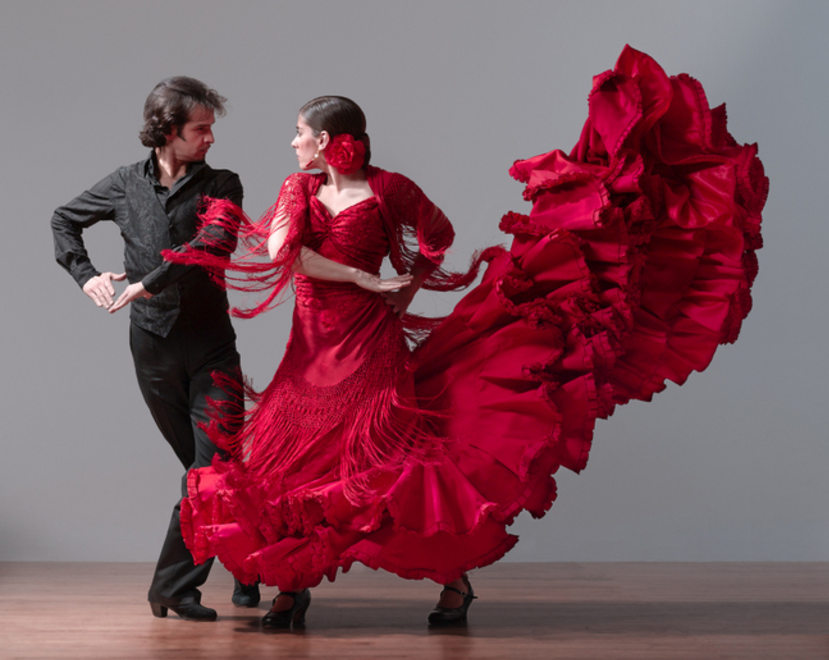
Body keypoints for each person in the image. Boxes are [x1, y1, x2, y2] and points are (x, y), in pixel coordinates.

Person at [173, 46, 767, 629]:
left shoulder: (390, 188)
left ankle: (453, 579)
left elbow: (439, 234)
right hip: (310, 350)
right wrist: (363, 277)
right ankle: (292, 584)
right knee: (293, 461)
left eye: (300, 132)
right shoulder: (297, 189)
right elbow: (284, 252)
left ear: (326, 139)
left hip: (370, 346)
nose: (293, 142)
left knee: (394, 463)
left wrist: (407, 289)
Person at [51, 76, 259, 621]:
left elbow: (215, 242)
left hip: (212, 348)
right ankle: (250, 564)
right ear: (168, 131)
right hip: (152, 349)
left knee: (214, 468)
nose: (211, 137)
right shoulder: (125, 184)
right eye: (200, 128)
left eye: (211, 128)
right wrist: (86, 275)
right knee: (208, 472)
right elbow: (64, 219)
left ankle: (172, 587)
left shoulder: (224, 183)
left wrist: (148, 282)